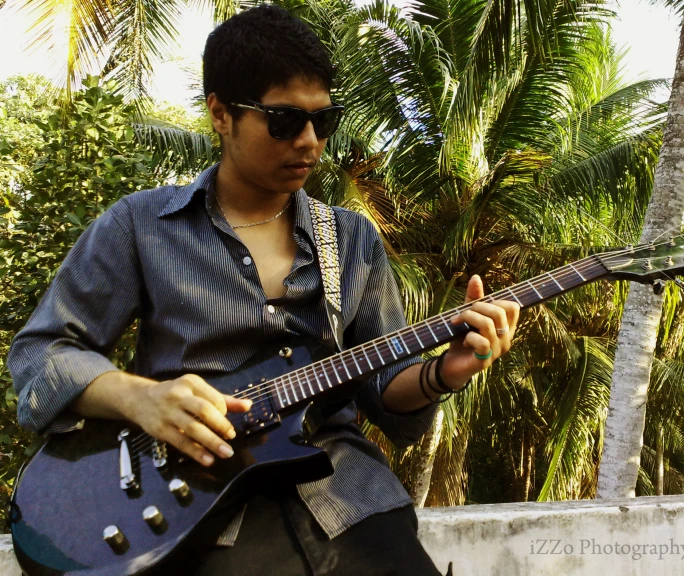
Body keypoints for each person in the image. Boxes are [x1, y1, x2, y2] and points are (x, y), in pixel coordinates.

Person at [8, 5, 519, 575]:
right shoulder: (141, 225)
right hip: (199, 515)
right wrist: (140, 397)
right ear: (221, 114)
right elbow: (40, 356)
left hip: (349, 502)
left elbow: (383, 392)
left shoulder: (350, 239)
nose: (308, 143)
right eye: (283, 121)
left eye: (323, 122)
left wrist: (446, 372)